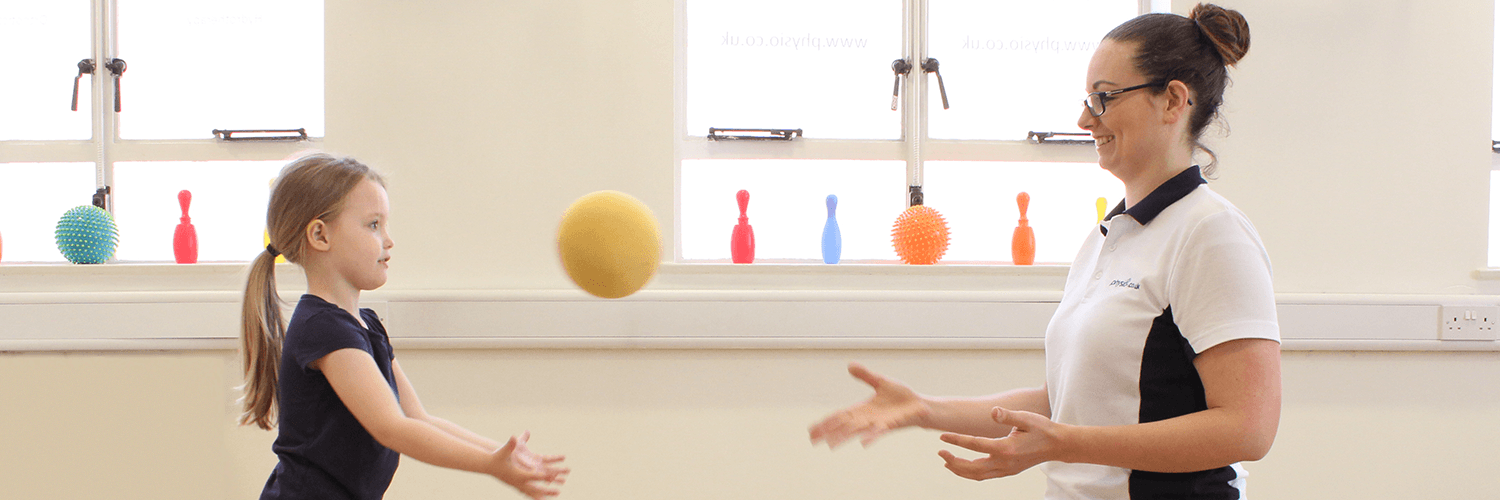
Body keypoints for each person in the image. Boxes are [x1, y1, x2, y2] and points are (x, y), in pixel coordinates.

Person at [809, 4, 1279, 499]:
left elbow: (1248, 428)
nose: (1084, 118)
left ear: (1172, 101)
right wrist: (926, 409)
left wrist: (1067, 444)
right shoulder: (1109, 237)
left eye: (1103, 98)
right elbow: (1071, 404)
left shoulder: (1212, 234)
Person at [239, 153, 569, 499]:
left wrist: (502, 453)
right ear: (320, 235)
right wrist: (489, 464)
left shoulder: (364, 325)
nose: (388, 239)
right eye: (373, 225)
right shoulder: (323, 329)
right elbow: (392, 428)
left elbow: (418, 418)